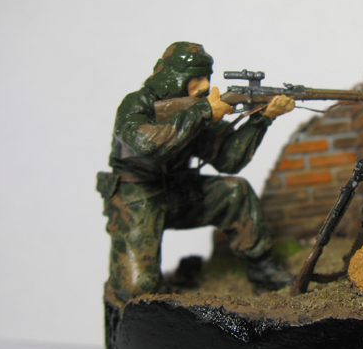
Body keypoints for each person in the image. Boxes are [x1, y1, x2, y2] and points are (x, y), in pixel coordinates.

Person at [97, 41, 295, 297]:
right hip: (136, 197)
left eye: (207, 77)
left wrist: (262, 118)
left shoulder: (197, 108)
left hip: (178, 191)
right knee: (136, 289)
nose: (204, 86)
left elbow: (228, 161)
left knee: (236, 192)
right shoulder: (137, 104)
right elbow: (146, 148)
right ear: (173, 77)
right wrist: (202, 112)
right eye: (196, 79)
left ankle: (261, 267)